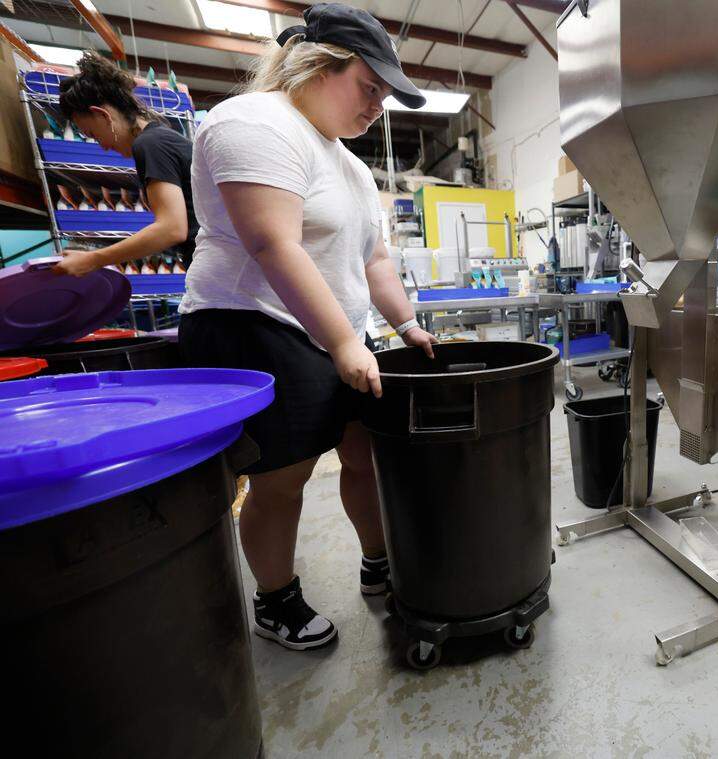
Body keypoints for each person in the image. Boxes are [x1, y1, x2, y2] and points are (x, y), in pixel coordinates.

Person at [178, 2, 438, 651]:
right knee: (283, 477)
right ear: (318, 66)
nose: (377, 106)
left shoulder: (348, 163)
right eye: (369, 87)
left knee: (364, 451)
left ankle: (379, 560)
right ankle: (276, 598)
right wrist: (346, 342)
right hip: (254, 321)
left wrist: (404, 327)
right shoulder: (255, 122)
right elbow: (274, 244)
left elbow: (374, 260)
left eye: (384, 96)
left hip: (327, 328)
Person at [55, 52, 198, 275]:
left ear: (102, 114)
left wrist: (93, 259)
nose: (101, 146)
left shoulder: (150, 143)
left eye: (92, 134)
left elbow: (172, 228)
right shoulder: (160, 138)